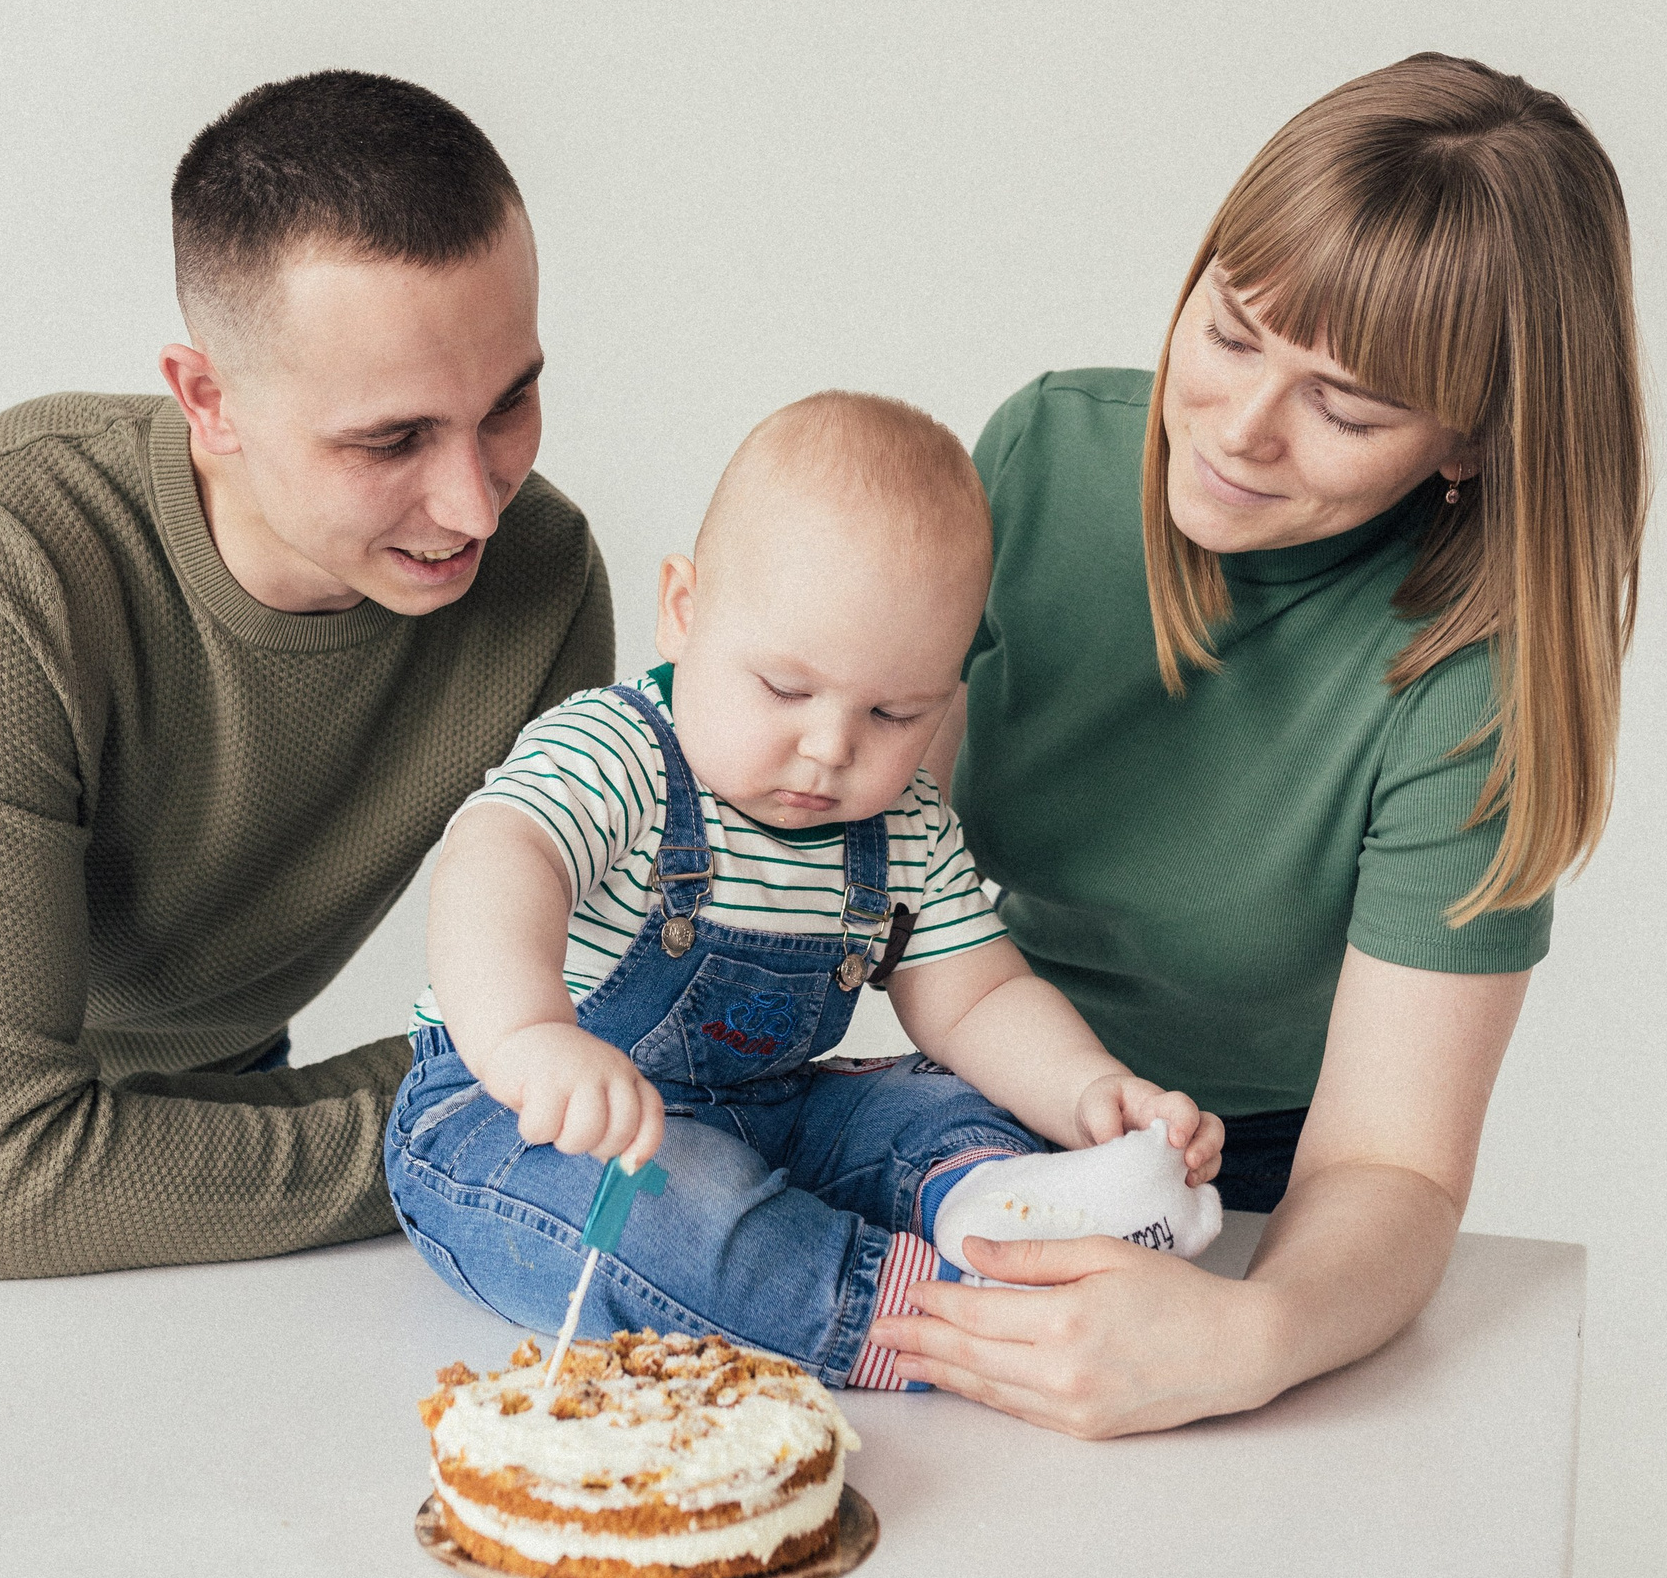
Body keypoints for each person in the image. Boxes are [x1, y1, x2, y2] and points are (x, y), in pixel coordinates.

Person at [865, 53, 1649, 1435]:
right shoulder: (1044, 453)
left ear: (1468, 445)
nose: (1237, 432)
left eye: (1344, 408)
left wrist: (1253, 1334)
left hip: (1249, 1186)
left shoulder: (1472, 689)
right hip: (966, 1102)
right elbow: (865, 854)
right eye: (1229, 334)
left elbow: (1393, 1168)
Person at [0, 71, 612, 1372]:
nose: (474, 505)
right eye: (391, 439)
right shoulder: (9, 546)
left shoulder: (545, 580)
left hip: (216, 1089)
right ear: (208, 397)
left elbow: (609, 1008)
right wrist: (478, 1116)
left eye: (508, 402)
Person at [384, 392, 1223, 1389]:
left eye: (896, 714)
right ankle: (919, 1312)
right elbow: (497, 859)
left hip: (767, 1109)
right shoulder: (619, 753)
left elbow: (980, 997)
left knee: (944, 1098)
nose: (831, 748)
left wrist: (1088, 1090)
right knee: (668, 1218)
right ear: (684, 611)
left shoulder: (902, 821)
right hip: (517, 1122)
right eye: (786, 690)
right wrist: (530, 1038)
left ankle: (1003, 1209)